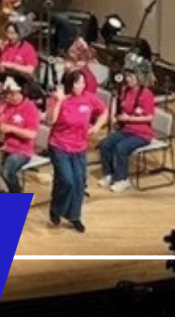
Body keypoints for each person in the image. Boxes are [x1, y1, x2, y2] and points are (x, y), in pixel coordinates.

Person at [46, 70, 108, 232]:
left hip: (79, 147)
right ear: (70, 84)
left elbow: (104, 111)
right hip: (59, 145)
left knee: (79, 182)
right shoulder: (60, 98)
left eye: (82, 83)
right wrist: (59, 101)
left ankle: (74, 216)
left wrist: (97, 126)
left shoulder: (89, 98)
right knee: (66, 180)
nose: (81, 86)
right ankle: (56, 210)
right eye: (77, 83)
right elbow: (50, 120)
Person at [99, 54, 156, 193]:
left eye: (131, 76)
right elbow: (117, 101)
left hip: (142, 134)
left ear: (139, 77)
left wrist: (129, 118)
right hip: (126, 130)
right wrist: (113, 114)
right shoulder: (125, 90)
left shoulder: (146, 94)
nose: (127, 79)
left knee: (121, 148)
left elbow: (149, 117)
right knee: (105, 144)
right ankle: (109, 174)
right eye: (127, 76)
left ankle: (122, 179)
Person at [0, 14, 39, 79]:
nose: (9, 36)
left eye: (12, 33)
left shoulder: (28, 48)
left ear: (20, 34)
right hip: (5, 78)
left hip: (21, 79)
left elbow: (30, 69)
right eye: (8, 32)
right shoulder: (4, 45)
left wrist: (12, 66)